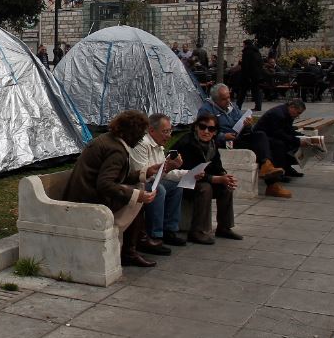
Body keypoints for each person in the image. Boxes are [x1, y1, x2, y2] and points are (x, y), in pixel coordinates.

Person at [64, 110, 158, 267]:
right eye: (141, 134)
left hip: (83, 193)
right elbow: (105, 184)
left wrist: (145, 173)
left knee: (136, 192)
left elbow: (116, 177)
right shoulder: (116, 150)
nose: (142, 138)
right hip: (88, 199)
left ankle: (131, 248)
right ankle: (129, 252)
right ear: (132, 133)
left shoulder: (108, 140)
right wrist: (136, 195)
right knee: (136, 200)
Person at [198, 83, 291, 198]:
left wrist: (247, 125)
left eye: (229, 97)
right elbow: (204, 131)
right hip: (222, 141)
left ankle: (267, 167)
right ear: (215, 100)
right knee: (259, 147)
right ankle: (272, 183)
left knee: (262, 137)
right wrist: (223, 136)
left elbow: (241, 122)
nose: (228, 101)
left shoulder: (232, 107)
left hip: (238, 136)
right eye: (224, 99)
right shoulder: (206, 110)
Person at [174, 112, 240, 244]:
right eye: (202, 127)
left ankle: (224, 227)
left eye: (211, 129)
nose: (206, 131)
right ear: (196, 127)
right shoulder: (187, 143)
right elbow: (190, 172)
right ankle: (197, 231)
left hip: (201, 178)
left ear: (215, 132)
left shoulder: (212, 144)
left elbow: (217, 166)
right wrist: (217, 179)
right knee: (205, 188)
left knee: (226, 188)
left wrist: (225, 176)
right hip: (183, 181)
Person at [129, 114, 186, 248]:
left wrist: (187, 174)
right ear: (152, 130)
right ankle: (155, 234)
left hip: (151, 180)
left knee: (177, 185)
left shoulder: (159, 145)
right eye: (165, 132)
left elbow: (164, 173)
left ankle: (169, 229)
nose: (169, 136)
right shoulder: (142, 144)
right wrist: (167, 168)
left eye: (170, 131)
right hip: (137, 182)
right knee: (159, 190)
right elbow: (143, 176)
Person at [254, 98, 312, 183]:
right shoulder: (278, 114)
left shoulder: (288, 114)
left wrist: (303, 137)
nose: (298, 116)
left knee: (291, 142)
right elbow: (278, 133)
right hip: (262, 137)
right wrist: (298, 141)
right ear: (292, 107)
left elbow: (289, 130)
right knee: (280, 144)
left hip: (272, 134)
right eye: (298, 113)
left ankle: (287, 168)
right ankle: (280, 172)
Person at [238, 39, 265, 111]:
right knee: (256, 91)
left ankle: (238, 106)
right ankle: (258, 106)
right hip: (257, 75)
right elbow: (261, 63)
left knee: (242, 92)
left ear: (245, 44)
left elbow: (245, 65)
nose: (243, 46)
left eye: (243, 44)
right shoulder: (257, 52)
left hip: (249, 76)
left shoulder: (246, 52)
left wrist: (245, 76)